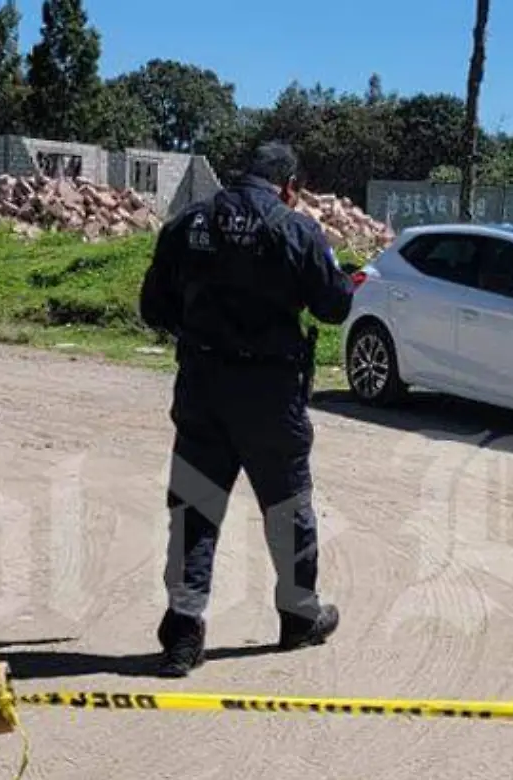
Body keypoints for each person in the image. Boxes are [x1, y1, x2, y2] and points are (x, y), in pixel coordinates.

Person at [137, 143, 356, 678]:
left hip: (203, 386)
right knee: (287, 507)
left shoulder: (190, 223)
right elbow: (334, 306)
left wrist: (201, 328)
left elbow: (152, 307)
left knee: (195, 508)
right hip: (271, 394)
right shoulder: (296, 229)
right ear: (288, 186)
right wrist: (345, 278)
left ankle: (184, 634)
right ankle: (299, 617)